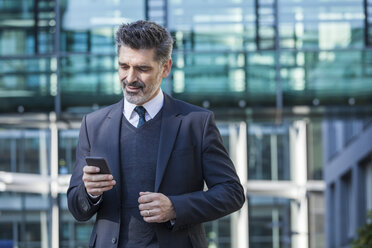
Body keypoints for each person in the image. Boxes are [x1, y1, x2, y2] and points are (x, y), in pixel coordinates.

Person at [67, 20, 245, 248]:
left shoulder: (196, 123)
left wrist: (175, 207)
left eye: (142, 69)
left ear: (166, 68)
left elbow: (232, 193)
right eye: (124, 66)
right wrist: (90, 193)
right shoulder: (93, 125)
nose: (130, 78)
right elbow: (76, 207)